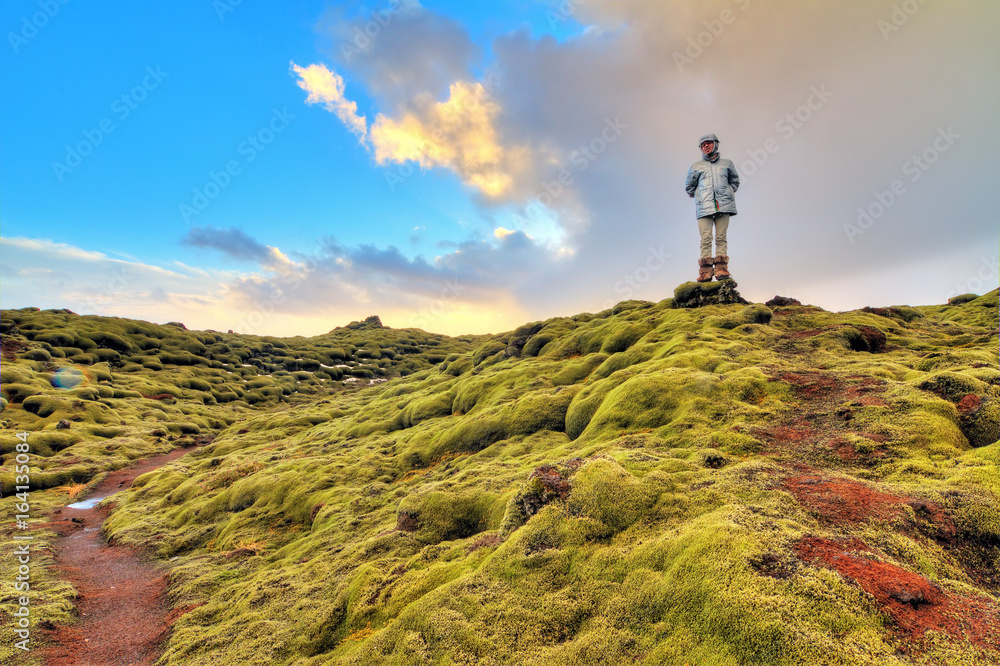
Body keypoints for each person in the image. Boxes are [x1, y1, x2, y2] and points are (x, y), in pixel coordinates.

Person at [685, 133, 740, 282]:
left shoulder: (727, 164)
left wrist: (727, 193)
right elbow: (689, 187)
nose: (706, 146)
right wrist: (700, 197)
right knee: (706, 238)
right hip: (704, 208)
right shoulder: (696, 167)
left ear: (715, 144)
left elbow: (735, 182)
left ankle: (721, 269)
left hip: (724, 206)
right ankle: (705, 272)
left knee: (721, 237)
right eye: (703, 145)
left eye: (708, 143)